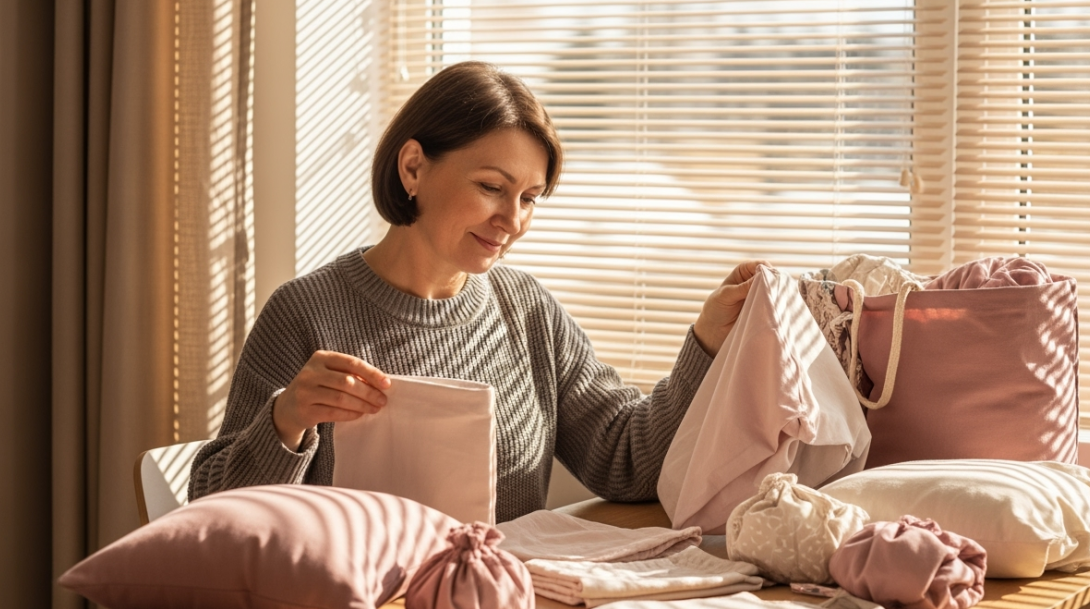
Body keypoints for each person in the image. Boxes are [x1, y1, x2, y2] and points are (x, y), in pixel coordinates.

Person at [188, 61, 764, 522]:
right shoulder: (304, 314)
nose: (512, 220)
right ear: (413, 168)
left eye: (530, 198)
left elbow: (626, 462)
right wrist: (286, 420)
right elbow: (210, 507)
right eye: (492, 187)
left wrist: (706, 341)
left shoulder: (527, 311)